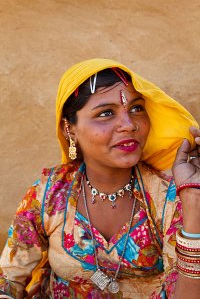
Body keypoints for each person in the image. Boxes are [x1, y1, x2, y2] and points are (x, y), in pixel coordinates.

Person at [0, 58, 200, 299]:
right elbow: (8, 281)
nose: (129, 125)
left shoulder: (167, 198)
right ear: (69, 129)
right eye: (106, 113)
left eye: (136, 108)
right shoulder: (50, 193)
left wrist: (193, 198)